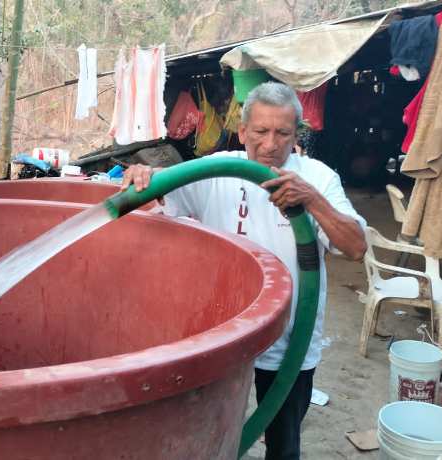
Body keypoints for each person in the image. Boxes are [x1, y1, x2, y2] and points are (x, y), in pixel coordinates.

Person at [121, 82, 367, 460]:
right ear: (242, 132)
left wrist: (312, 200)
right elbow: (156, 194)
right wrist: (141, 175)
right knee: (206, 431)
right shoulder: (215, 171)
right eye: (260, 132)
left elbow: (354, 247)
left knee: (283, 443)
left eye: (283, 133)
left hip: (289, 338)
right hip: (221, 335)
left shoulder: (317, 178)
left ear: (296, 134)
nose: (271, 144)